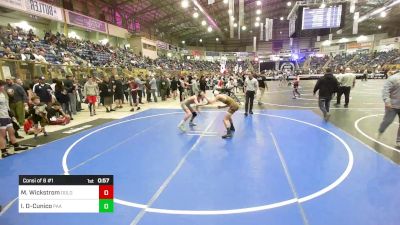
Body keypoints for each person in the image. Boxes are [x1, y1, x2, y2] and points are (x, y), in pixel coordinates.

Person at [0, 80, 28, 158]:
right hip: (1, 117)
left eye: (3, 86)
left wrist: (10, 114)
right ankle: (4, 152)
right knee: (2, 135)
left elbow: (7, 105)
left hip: (7, 116)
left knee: (12, 131)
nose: (3, 87)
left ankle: (16, 146)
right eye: (1, 86)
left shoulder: (4, 94)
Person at [378, 70, 400, 146]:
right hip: (392, 105)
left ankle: (399, 140)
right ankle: (380, 131)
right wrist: (387, 101)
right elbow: (385, 91)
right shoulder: (393, 78)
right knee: (387, 121)